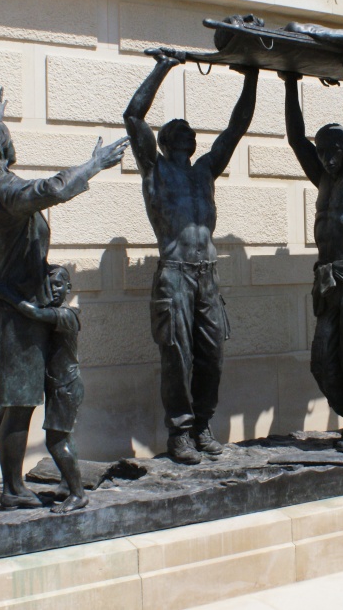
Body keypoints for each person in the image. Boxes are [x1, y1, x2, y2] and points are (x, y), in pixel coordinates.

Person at [0, 85, 127, 508]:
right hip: (17, 307)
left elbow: (4, 173)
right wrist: (96, 163)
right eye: (3, 135)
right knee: (21, 402)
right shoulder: (2, 192)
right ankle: (12, 490)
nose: (10, 140)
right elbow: (51, 189)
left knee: (15, 397)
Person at [124, 50, 258, 465]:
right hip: (175, 276)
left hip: (208, 277)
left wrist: (251, 75)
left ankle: (202, 425)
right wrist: (165, 65)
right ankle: (180, 432)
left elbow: (237, 128)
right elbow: (132, 117)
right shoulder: (156, 171)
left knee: (211, 355)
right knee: (178, 356)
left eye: (189, 129)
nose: (185, 131)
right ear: (163, 141)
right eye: (176, 128)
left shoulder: (204, 171)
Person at [283, 51, 343, 453]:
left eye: (333, 149)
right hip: (326, 279)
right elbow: (295, 138)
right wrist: (290, 82)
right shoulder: (323, 176)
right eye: (321, 150)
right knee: (323, 359)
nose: (326, 156)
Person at [0, 266, 88, 513]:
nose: (53, 289)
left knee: (57, 441)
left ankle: (78, 494)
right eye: (49, 285)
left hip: (65, 387)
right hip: (59, 385)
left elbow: (32, 312)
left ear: (69, 288)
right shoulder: (56, 312)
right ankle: (68, 486)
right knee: (62, 437)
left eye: (59, 284)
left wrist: (7, 294)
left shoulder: (67, 315)